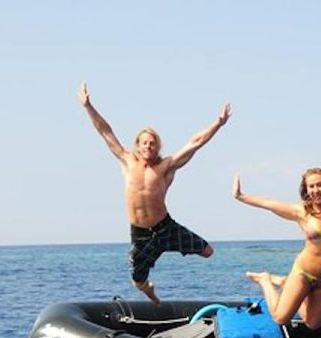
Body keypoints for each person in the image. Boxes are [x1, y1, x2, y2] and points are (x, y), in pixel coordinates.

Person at [78, 82, 230, 304]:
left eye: (153, 144)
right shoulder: (127, 160)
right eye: (145, 143)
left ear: (158, 147)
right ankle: (150, 291)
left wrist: (218, 124)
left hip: (165, 227)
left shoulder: (165, 167)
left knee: (208, 252)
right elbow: (105, 131)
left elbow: (194, 143)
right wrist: (88, 106)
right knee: (139, 281)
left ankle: (168, 246)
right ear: (138, 146)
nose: (149, 146)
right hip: (140, 233)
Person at [232, 127, 321, 330]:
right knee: (280, 318)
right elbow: (269, 203)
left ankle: (285, 283)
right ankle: (266, 280)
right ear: (307, 189)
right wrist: (241, 196)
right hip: (304, 272)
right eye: (311, 187)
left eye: (320, 185)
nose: (316, 190)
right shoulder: (302, 212)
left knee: (312, 323)